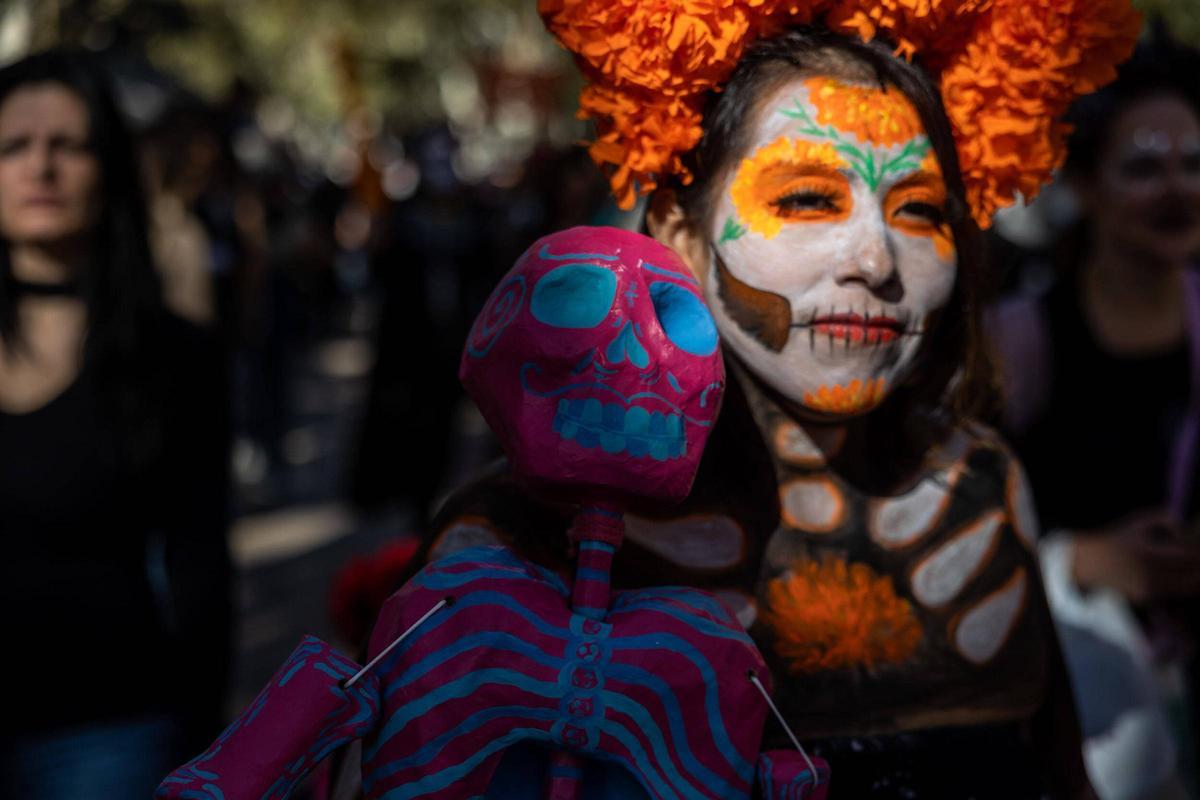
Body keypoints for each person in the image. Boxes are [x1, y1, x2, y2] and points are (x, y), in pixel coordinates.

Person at [411, 2, 1141, 797]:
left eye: (920, 211)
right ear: (680, 236)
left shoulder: (983, 488)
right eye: (806, 200)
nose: (874, 258)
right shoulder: (532, 534)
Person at [0, 50, 231, 799]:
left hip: (106, 734)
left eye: (68, 144)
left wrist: (203, 742)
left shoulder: (173, 356)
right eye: (14, 146)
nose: (41, 167)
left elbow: (202, 570)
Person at [990, 29, 1200, 800]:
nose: (1178, 189)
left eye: (1195, 164)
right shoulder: (1015, 342)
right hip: (1076, 717)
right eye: (1144, 167)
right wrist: (1077, 563)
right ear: (1083, 184)